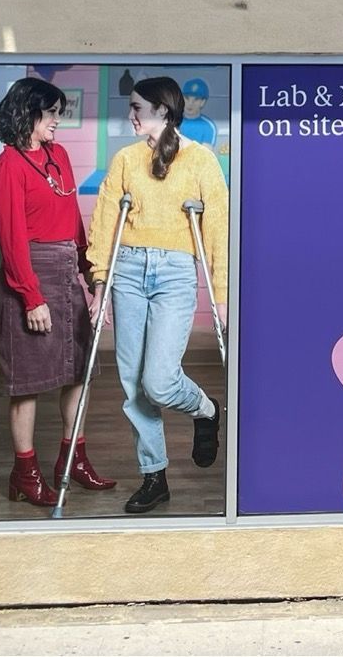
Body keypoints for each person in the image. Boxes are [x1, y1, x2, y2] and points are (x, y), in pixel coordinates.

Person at [90, 75, 229, 514]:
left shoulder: (201, 161)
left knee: (160, 380)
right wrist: (100, 283)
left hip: (174, 274)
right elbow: (104, 224)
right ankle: (154, 477)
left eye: (136, 108)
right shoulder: (126, 160)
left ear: (162, 111)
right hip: (128, 271)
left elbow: (218, 231)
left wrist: (221, 297)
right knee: (134, 385)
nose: (130, 115)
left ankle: (206, 410)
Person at [0, 76, 115, 506]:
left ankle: (72, 460)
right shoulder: (7, 165)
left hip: (65, 269)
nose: (58, 121)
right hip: (31, 273)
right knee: (28, 380)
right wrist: (30, 296)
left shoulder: (58, 156)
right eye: (51, 113)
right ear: (28, 113)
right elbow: (11, 238)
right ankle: (24, 473)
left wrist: (90, 275)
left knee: (79, 371)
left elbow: (73, 221)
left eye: (59, 113)